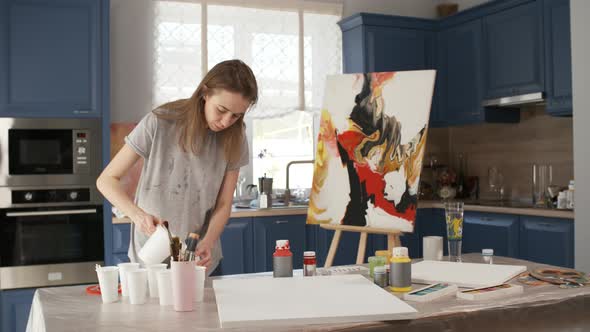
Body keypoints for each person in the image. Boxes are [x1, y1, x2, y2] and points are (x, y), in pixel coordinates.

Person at [97, 59, 258, 274]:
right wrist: (138, 216)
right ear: (204, 93)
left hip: (198, 260)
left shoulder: (236, 138)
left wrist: (208, 241)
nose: (226, 121)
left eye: (237, 115)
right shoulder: (159, 122)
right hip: (150, 255)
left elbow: (223, 203)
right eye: (221, 110)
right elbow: (106, 180)